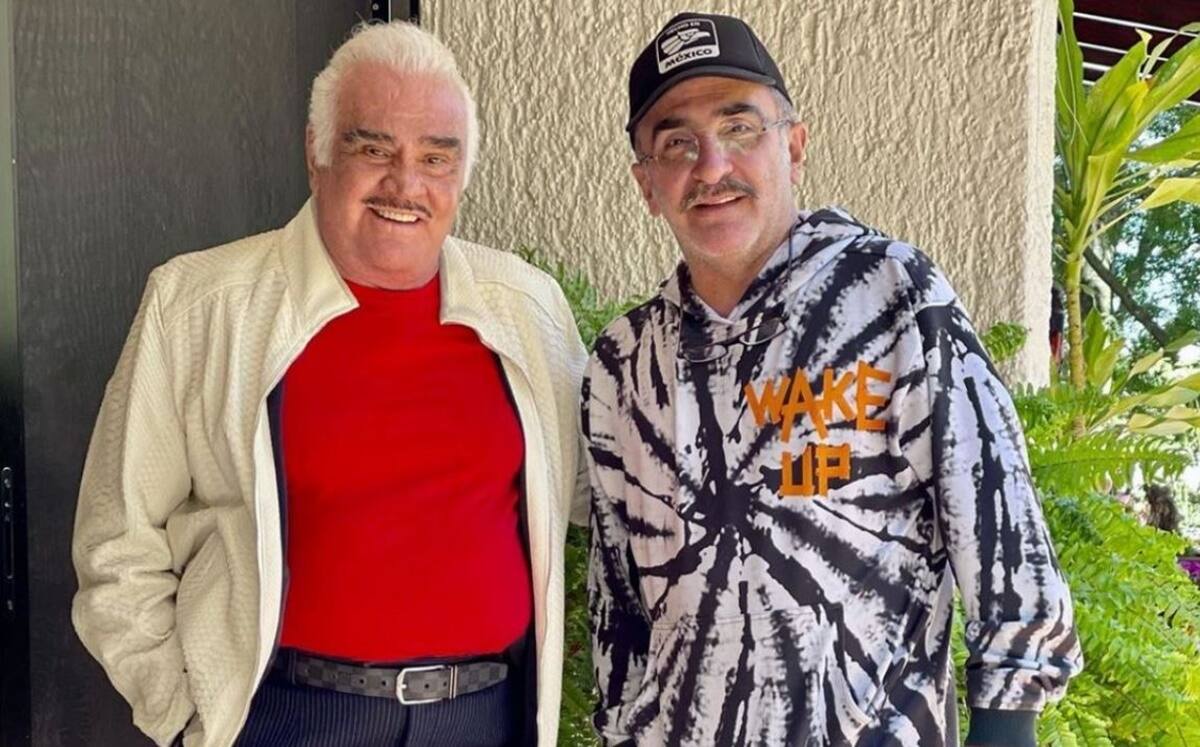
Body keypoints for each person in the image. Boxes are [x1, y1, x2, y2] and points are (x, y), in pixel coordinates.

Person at [71, 20, 586, 747]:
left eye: (435, 157)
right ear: (316, 156)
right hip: (288, 718)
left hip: (483, 715)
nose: (405, 184)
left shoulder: (528, 309)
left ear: (462, 176)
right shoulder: (199, 305)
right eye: (373, 149)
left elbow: (605, 492)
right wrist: (182, 716)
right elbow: (116, 540)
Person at [583, 11, 1082, 747]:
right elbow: (618, 599)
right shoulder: (624, 362)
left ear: (794, 145)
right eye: (676, 143)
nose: (711, 166)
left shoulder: (893, 297)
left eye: (739, 127)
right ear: (647, 184)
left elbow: (999, 518)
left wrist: (1007, 723)